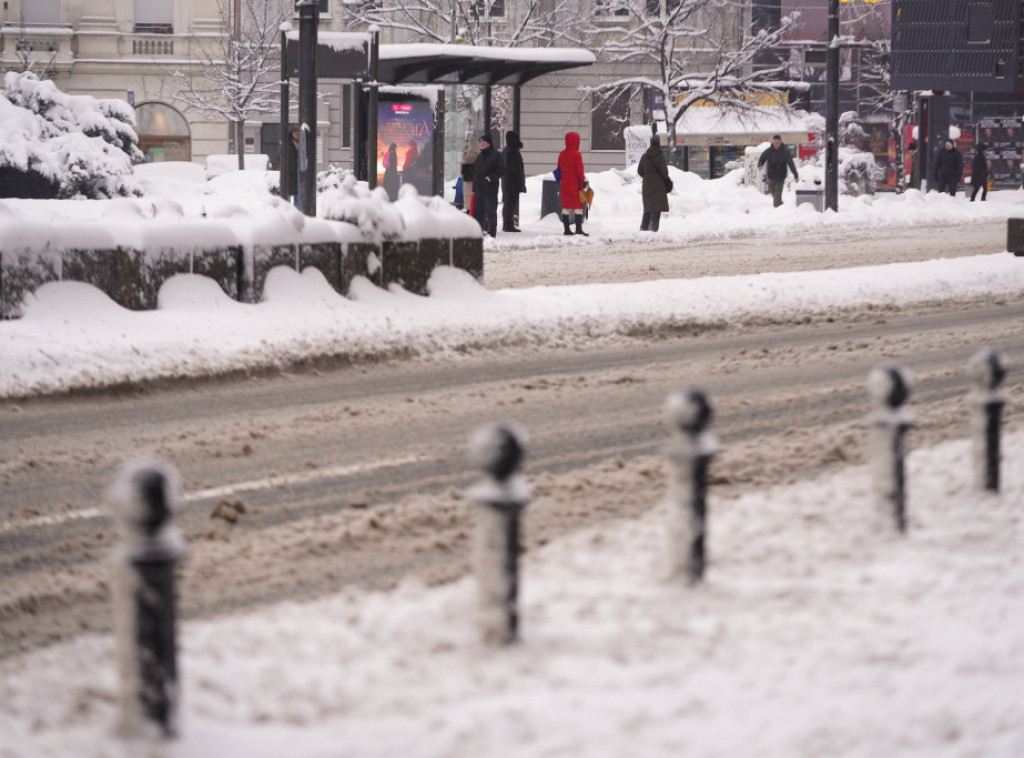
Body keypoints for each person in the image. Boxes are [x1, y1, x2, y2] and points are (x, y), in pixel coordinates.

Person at [558, 131, 588, 236]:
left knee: (565, 207)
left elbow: (558, 169)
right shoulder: (577, 155)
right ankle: (578, 229)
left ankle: (566, 229)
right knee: (578, 207)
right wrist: (583, 180)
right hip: (575, 185)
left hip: (564, 185)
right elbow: (580, 171)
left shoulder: (562, 154)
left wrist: (560, 181)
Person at [637, 135, 670, 231]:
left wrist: (647, 177)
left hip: (647, 186)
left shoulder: (645, 156)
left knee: (647, 209)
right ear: (659, 144)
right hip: (658, 187)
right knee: (656, 209)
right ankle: (653, 230)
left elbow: (639, 171)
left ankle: (643, 228)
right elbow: (665, 173)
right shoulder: (660, 156)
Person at [472, 133, 502, 238]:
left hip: (490, 189)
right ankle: (479, 231)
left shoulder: (497, 155)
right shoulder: (480, 157)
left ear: (489, 143)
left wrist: (490, 177)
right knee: (478, 212)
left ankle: (491, 233)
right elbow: (475, 172)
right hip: (479, 189)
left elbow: (501, 170)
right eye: (480, 142)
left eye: (483, 142)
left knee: (490, 211)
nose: (481, 144)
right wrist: (474, 187)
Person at [757, 134, 799, 208]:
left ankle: (778, 208)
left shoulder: (785, 152)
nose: (776, 144)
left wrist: (796, 175)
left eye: (778, 142)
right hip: (771, 175)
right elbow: (762, 158)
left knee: (776, 200)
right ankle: (782, 207)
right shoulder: (769, 151)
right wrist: (760, 164)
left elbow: (791, 164)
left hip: (780, 176)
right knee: (774, 194)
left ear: (780, 142)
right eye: (775, 142)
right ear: (773, 142)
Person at [501, 130, 526, 232]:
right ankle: (509, 225)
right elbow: (516, 169)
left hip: (506, 182)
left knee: (507, 204)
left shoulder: (506, 151)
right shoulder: (513, 152)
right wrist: (520, 183)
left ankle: (506, 224)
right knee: (511, 204)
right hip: (513, 183)